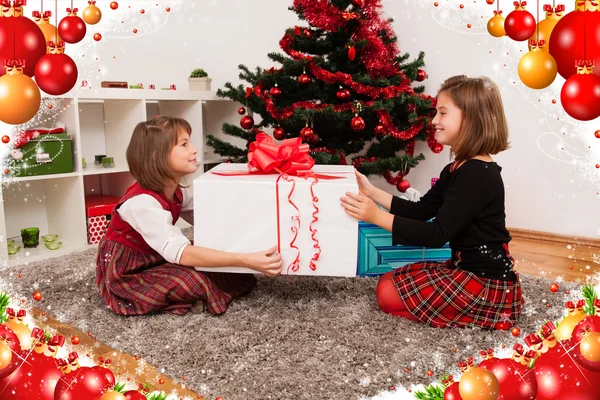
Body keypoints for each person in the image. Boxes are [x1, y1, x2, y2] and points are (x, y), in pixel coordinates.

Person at [340, 75, 522, 329]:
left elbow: (437, 234)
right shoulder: (457, 168)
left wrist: (375, 216)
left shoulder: (478, 175)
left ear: (470, 119)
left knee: (388, 295)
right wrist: (371, 192)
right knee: (387, 283)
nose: (434, 121)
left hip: (487, 281)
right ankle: (459, 312)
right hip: (463, 268)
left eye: (443, 113)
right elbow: (421, 210)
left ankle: (488, 315)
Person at [96, 116, 283, 316]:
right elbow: (182, 253)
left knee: (227, 268)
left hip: (156, 253)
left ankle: (193, 293)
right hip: (130, 268)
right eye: (184, 145)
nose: (194, 149)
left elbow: (208, 216)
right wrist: (245, 259)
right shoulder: (141, 203)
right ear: (155, 156)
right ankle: (181, 299)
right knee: (195, 280)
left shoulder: (175, 191)